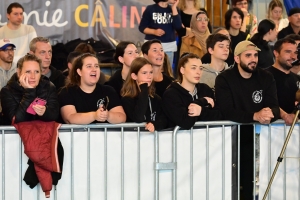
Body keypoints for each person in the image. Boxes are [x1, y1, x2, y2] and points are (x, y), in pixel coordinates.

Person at [215, 41, 280, 200]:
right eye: (248, 55)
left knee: (257, 186)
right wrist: (254, 116)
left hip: (260, 140)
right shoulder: (224, 79)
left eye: (256, 55)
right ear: (237, 59)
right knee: (234, 186)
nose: (253, 59)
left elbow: (275, 107)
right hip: (232, 141)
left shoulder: (265, 76)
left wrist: (268, 114)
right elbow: (226, 111)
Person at [58, 53, 126, 124]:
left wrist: (108, 115)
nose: (94, 69)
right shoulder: (67, 92)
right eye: (89, 66)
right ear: (79, 71)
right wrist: (94, 115)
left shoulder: (108, 91)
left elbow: (121, 117)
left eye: (96, 66)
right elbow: (70, 118)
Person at [162, 53, 222, 129]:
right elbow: (185, 122)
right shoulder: (171, 94)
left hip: (207, 139)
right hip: (181, 139)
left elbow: (219, 114)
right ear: (182, 70)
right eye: (193, 68)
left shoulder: (205, 89)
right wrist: (202, 102)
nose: (198, 72)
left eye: (200, 68)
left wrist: (201, 111)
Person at [121, 57, 167, 131]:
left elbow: (164, 119)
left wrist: (155, 125)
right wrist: (144, 89)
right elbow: (138, 118)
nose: (149, 76)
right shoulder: (127, 99)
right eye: (144, 73)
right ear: (134, 76)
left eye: (151, 72)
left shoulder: (156, 98)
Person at [266, 38, 299, 125]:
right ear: (276, 53)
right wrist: (284, 115)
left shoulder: (297, 79)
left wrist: (295, 115)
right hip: (269, 130)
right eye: (288, 52)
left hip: (295, 129)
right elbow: (265, 100)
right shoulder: (264, 76)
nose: (293, 56)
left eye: (295, 53)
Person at [138, 0, 182, 65]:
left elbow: (178, 26)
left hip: (168, 47)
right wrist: (154, 31)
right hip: (152, 46)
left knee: (167, 71)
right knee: (150, 69)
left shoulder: (175, 9)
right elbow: (142, 27)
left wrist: (174, 8)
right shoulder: (150, 9)